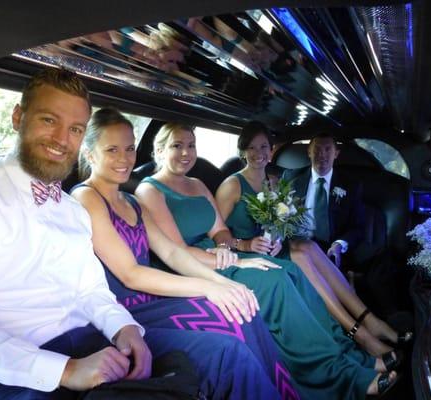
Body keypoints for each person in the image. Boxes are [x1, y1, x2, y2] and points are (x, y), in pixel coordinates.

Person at [135, 122, 398, 399]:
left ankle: (354, 356)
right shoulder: (150, 191)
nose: (186, 152)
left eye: (191, 145)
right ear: (160, 149)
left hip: (221, 256)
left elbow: (219, 230)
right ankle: (342, 375)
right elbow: (176, 252)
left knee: (291, 271)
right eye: (177, 145)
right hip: (192, 267)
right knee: (277, 281)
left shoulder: (198, 185)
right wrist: (233, 258)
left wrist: (225, 246)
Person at [0, 68, 152, 399]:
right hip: (9, 369)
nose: (61, 139)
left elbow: (90, 289)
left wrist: (125, 328)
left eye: (74, 129)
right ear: (18, 117)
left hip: (87, 342)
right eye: (48, 120)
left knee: (211, 357)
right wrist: (66, 370)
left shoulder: (72, 210)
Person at [70, 107, 296, 399]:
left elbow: (173, 254)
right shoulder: (87, 196)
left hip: (151, 299)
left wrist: (226, 283)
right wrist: (209, 287)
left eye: (129, 148)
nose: (124, 158)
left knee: (243, 310)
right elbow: (131, 273)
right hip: (121, 310)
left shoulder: (130, 200)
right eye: (111, 149)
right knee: (229, 336)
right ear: (90, 154)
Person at [215, 121, 408, 358]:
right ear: (243, 150)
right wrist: (244, 244)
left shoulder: (274, 181)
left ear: (271, 149)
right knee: (299, 254)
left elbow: (276, 225)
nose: (258, 154)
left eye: (264, 147)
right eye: (252, 148)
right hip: (245, 253)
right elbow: (216, 234)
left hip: (271, 248)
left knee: (308, 246)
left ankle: (370, 321)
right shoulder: (231, 185)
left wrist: (276, 240)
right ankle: (361, 335)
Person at [282, 132, 413, 348]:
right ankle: (356, 333)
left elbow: (358, 227)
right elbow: (282, 218)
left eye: (327, 150)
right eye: (317, 149)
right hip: (302, 244)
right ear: (308, 151)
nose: (321, 155)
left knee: (382, 257)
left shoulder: (351, 184)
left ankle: (383, 318)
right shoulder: (292, 179)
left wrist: (340, 244)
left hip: (336, 246)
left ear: (336, 154)